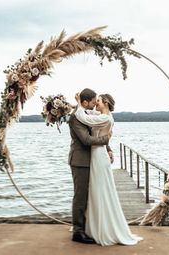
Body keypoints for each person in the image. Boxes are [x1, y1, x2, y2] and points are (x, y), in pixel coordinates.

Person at [74, 93, 143, 246]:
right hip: (97, 153)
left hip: (99, 155)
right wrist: (76, 105)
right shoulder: (103, 115)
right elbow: (88, 113)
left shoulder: (105, 118)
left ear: (105, 102)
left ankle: (103, 229)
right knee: (96, 191)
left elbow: (84, 118)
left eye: (97, 101)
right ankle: (94, 226)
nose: (95, 104)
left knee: (100, 191)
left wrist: (79, 103)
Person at [68, 88, 113, 244]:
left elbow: (96, 132)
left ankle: (88, 228)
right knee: (80, 196)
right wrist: (106, 140)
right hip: (80, 161)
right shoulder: (75, 118)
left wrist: (108, 148)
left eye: (97, 101)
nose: (95, 105)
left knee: (90, 196)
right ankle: (77, 232)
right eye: (93, 101)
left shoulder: (86, 114)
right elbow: (87, 140)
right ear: (85, 102)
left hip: (92, 161)